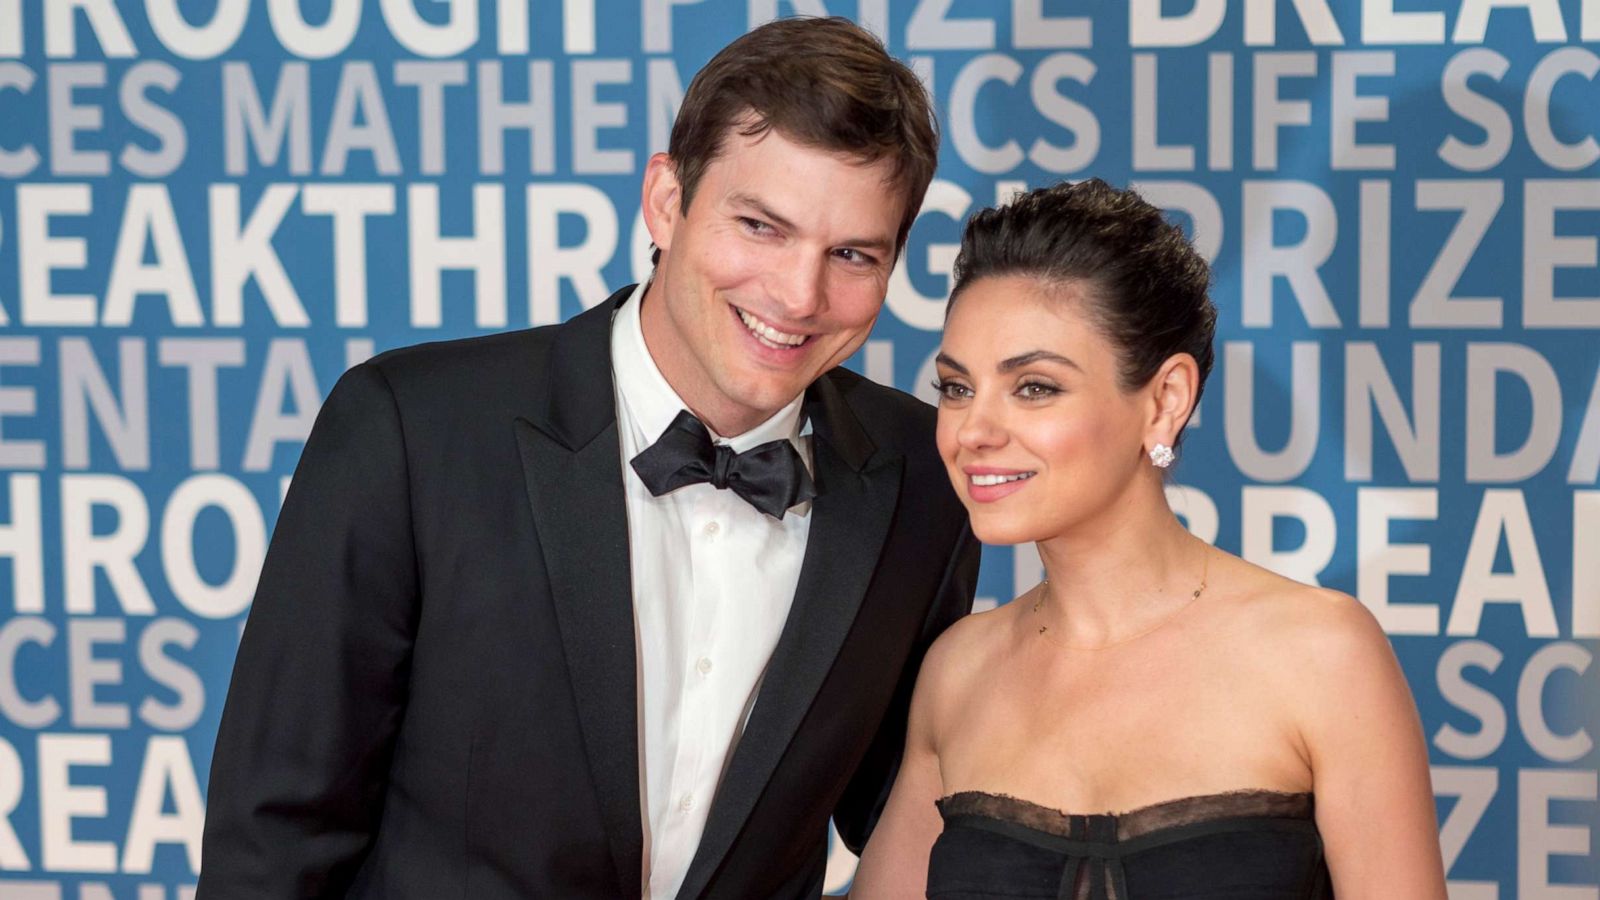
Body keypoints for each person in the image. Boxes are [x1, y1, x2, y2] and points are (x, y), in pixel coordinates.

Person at [197, 17, 978, 899]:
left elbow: (912, 823)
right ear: (666, 201)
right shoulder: (410, 431)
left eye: (850, 255)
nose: (799, 295)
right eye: (760, 226)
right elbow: (270, 844)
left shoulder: (926, 477)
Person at [850, 180, 1446, 899]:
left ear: (1165, 401)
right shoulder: (958, 674)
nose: (974, 431)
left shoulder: (1322, 654)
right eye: (956, 388)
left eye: (1034, 387)